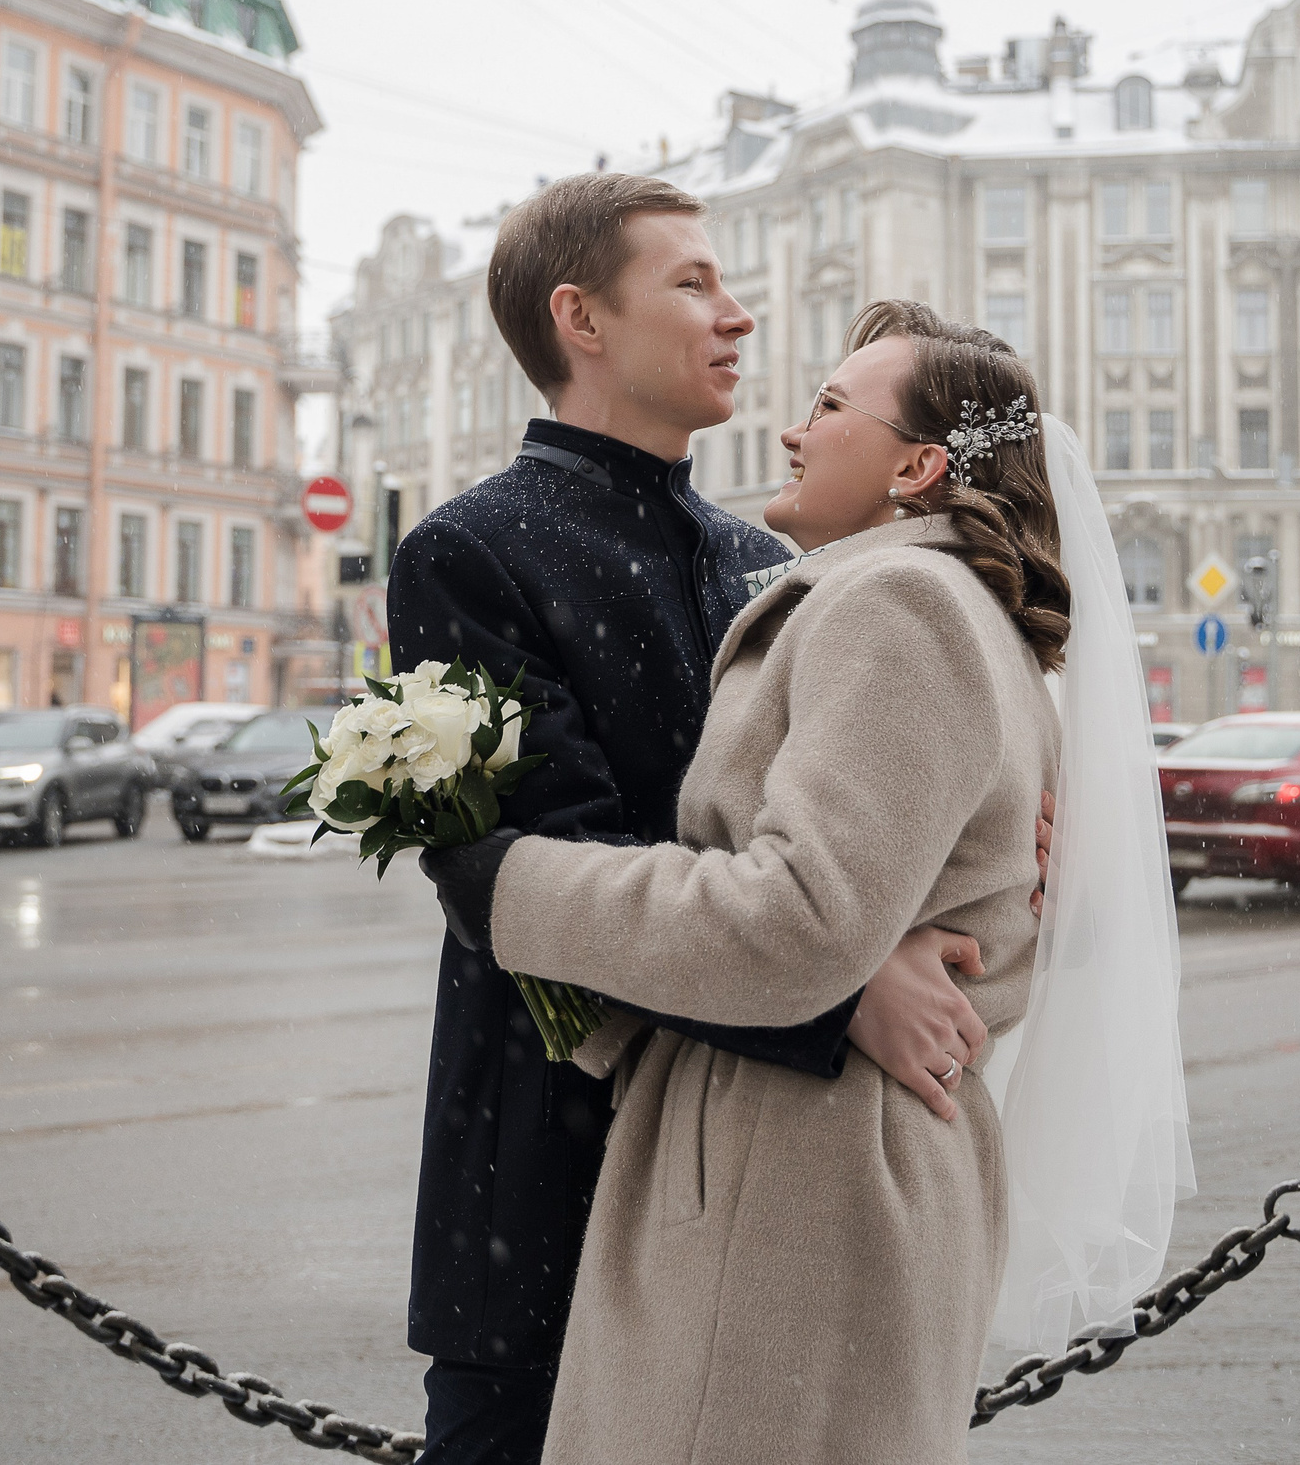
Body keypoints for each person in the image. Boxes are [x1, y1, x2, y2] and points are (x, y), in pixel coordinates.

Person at [424, 303, 1193, 1465]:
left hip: (792, 1174)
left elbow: (794, 923)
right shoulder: (940, 609)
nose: (793, 430)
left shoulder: (899, 606)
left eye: (831, 407)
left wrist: (512, 887)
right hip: (821, 1158)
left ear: (916, 465)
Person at [386, 177, 999, 1465]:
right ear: (582, 319)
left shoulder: (766, 559)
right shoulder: (470, 551)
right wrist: (840, 986)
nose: (740, 314)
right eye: (694, 285)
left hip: (754, 1185)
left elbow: (848, 839)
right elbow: (548, 863)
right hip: (543, 1168)